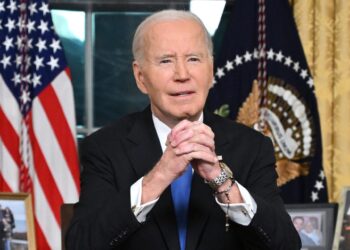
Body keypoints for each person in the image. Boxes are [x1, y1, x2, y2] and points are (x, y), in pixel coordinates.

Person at [66, 9, 301, 249]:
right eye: (166, 60)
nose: (182, 74)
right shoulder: (104, 148)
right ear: (140, 77)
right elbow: (81, 244)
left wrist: (220, 181)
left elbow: (286, 245)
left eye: (193, 59)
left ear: (210, 71)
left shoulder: (252, 147)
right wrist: (158, 177)